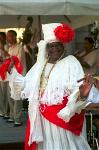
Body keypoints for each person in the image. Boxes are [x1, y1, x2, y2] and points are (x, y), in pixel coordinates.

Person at [7, 23, 99, 150]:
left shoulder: (71, 62)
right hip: (43, 119)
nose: (54, 49)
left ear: (63, 46)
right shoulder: (41, 64)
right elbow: (25, 84)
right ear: (46, 47)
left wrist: (82, 94)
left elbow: (79, 89)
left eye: (57, 45)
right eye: (51, 46)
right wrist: (12, 72)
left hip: (63, 118)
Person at [6, 30, 26, 126]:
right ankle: (12, 116)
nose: (7, 38)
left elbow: (18, 61)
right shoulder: (10, 48)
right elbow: (10, 60)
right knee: (11, 96)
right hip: (11, 75)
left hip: (18, 75)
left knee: (17, 97)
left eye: (9, 36)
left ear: (14, 36)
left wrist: (10, 62)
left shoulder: (20, 47)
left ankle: (17, 119)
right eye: (7, 36)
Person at [0, 32, 10, 118]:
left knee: (6, 94)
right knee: (1, 94)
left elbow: (10, 58)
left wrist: (3, 50)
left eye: (2, 37)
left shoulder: (8, 46)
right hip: (0, 73)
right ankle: (2, 111)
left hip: (7, 74)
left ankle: (7, 112)